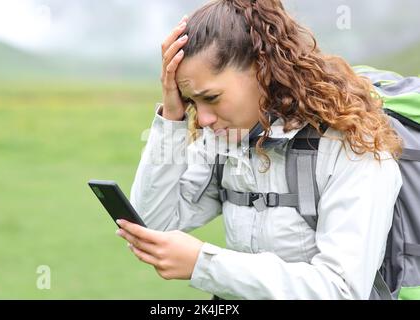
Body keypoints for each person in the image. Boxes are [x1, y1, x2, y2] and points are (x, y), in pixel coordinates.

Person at [115, 0, 403, 299]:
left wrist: (205, 264)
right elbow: (152, 225)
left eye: (211, 98)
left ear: (263, 68)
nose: (202, 119)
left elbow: (342, 291)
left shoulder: (354, 148)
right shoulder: (226, 140)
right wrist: (171, 116)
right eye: (191, 102)